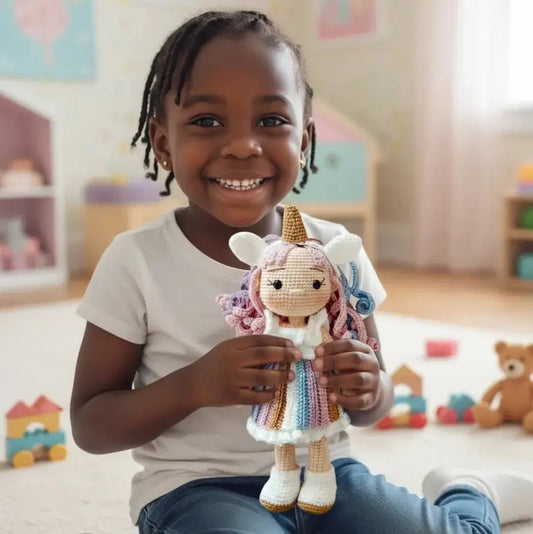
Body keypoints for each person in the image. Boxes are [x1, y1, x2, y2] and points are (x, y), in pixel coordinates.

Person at [70, 9, 533, 534]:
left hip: (328, 476)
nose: (244, 145)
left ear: (305, 139)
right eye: (206, 121)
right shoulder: (136, 261)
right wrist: (194, 385)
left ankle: (470, 492)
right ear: (162, 143)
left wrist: (366, 388)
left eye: (271, 121)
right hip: (197, 490)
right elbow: (90, 423)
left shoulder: (337, 249)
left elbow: (373, 403)